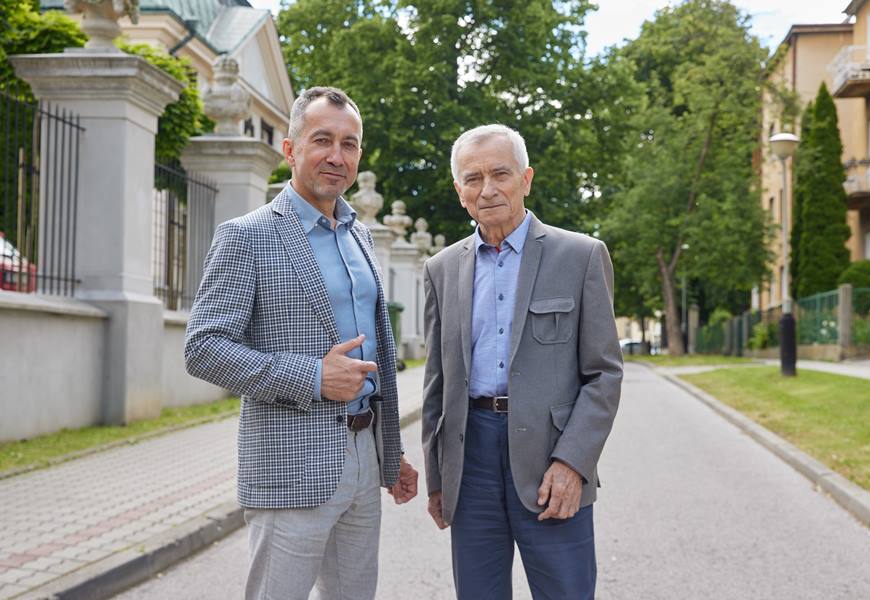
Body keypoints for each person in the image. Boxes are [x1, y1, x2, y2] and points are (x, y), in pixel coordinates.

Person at [185, 86, 418, 600]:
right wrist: (312, 377)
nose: (337, 156)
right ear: (290, 149)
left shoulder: (359, 237)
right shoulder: (246, 235)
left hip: (363, 458)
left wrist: (390, 452)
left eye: (349, 144)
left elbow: (376, 355)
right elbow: (203, 347)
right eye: (322, 140)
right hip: (290, 466)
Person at [421, 124, 623, 599]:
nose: (487, 189)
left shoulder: (581, 256)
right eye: (473, 178)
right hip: (471, 462)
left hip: (552, 460)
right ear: (459, 191)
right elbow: (437, 382)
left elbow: (604, 374)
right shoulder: (440, 269)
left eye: (500, 174)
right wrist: (438, 476)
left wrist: (572, 463)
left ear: (526, 180)